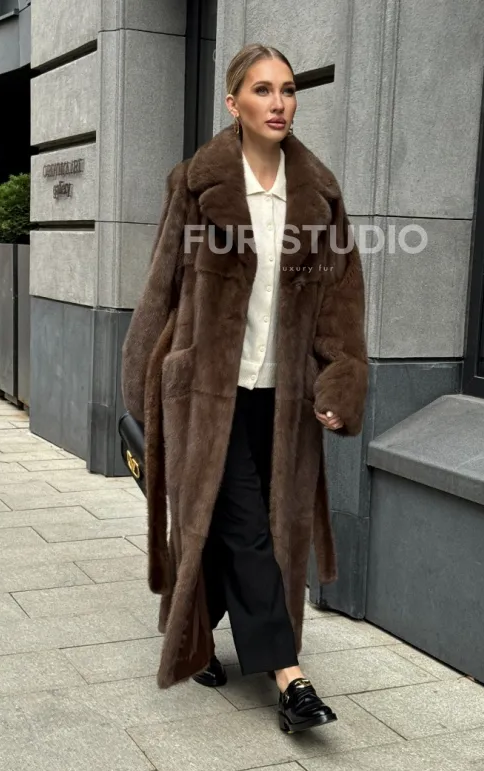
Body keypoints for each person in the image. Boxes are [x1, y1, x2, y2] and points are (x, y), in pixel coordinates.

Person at [121, 43, 368, 734]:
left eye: (287, 89)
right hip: (207, 389)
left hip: (282, 392)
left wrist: (342, 374)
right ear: (234, 103)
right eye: (262, 90)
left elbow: (341, 299)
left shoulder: (319, 194)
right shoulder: (196, 184)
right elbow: (162, 285)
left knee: (247, 520)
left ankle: (197, 630)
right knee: (248, 524)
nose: (279, 102)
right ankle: (289, 676)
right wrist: (140, 378)